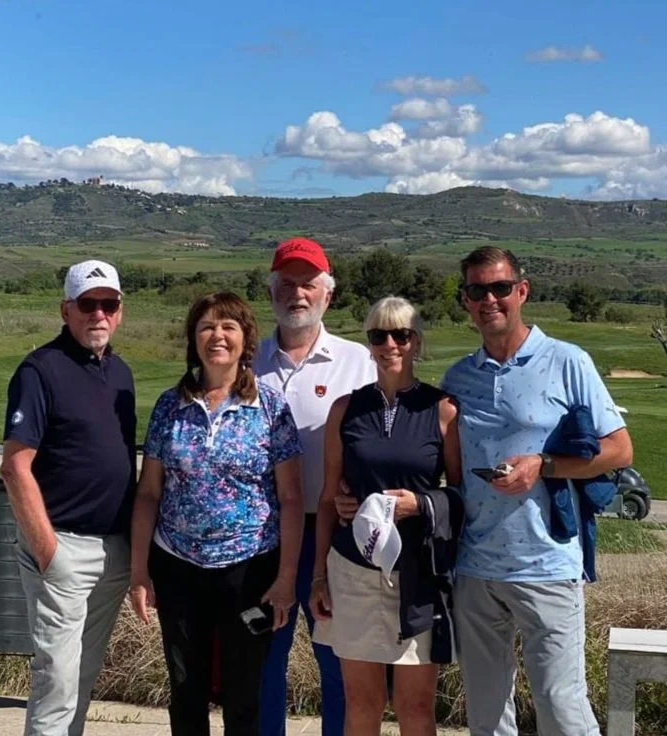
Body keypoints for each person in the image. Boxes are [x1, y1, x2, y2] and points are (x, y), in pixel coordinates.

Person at [440, 246, 633, 736]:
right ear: (465, 300)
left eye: (500, 288)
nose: (490, 299)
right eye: (477, 290)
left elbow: (620, 450)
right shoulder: (458, 377)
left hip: (547, 563)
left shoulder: (568, 361)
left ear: (521, 291)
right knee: (487, 716)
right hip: (475, 566)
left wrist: (544, 465)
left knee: (561, 708)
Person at [129, 291, 304, 736]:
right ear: (193, 339)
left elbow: (290, 498)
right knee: (186, 689)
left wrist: (285, 580)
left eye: (228, 327)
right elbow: (149, 492)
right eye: (206, 326)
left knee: (244, 695)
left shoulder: (270, 407)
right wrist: (139, 571)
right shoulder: (171, 406)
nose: (217, 336)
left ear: (247, 340)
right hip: (178, 565)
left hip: (249, 569)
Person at [309, 296, 463, 736]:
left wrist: (422, 504)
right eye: (379, 335)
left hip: (417, 574)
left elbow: (461, 495)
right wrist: (318, 575)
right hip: (353, 571)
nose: (390, 344)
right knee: (362, 703)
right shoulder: (345, 410)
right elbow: (326, 499)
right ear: (370, 343)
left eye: (402, 334)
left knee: (415, 706)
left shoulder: (442, 410)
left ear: (417, 342)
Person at [1, 260, 135, 736]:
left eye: (108, 304)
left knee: (82, 675)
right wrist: (47, 550)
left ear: (119, 312)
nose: (98, 314)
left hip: (112, 550)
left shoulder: (120, 373)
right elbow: (15, 465)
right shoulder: (40, 370)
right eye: (87, 304)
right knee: (56, 679)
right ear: (66, 309)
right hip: (63, 547)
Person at [255, 237, 377, 736]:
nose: (298, 294)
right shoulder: (247, 360)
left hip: (333, 533)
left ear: (328, 293)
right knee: (262, 660)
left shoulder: (359, 361)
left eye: (308, 284)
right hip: (262, 537)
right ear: (272, 292)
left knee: (338, 662)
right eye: (288, 283)